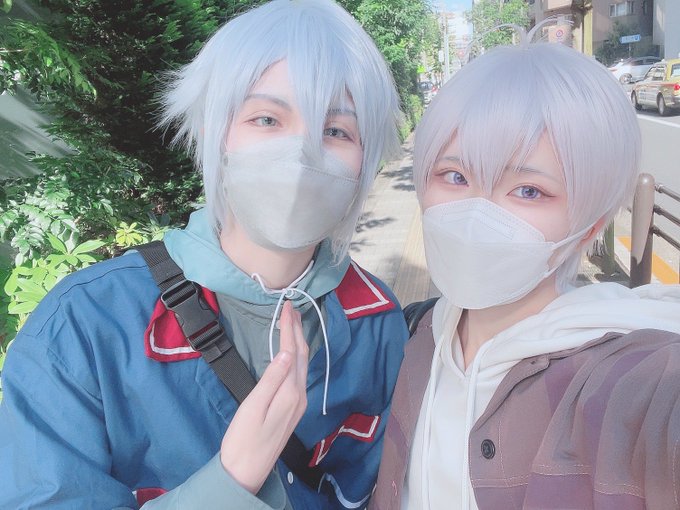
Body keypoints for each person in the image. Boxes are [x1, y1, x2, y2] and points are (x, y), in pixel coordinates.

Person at [0, 1, 409, 508]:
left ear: (366, 159)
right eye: (267, 118)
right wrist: (231, 479)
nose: (303, 154)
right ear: (211, 133)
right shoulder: (83, 326)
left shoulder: (376, 320)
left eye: (336, 131)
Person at [369, 35, 680, 510]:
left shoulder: (636, 379)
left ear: (589, 226)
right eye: (455, 176)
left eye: (529, 191)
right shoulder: (420, 334)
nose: (477, 213)